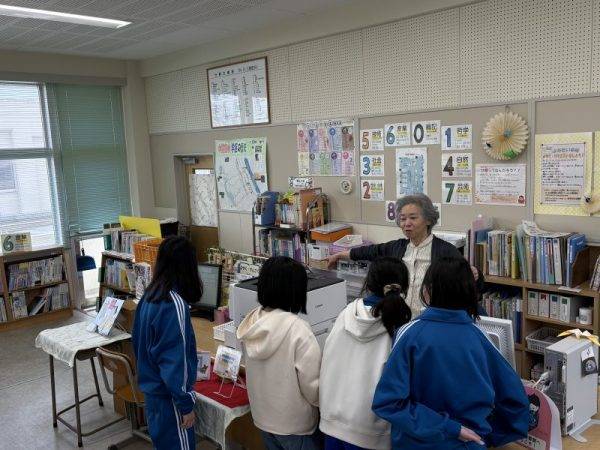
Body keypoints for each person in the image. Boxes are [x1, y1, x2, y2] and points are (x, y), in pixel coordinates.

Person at [372, 257, 528, 449]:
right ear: (470, 292)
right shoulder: (481, 338)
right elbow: (516, 404)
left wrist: (448, 428)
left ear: (427, 290)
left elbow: (388, 402)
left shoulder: (409, 334)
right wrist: (484, 437)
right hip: (469, 444)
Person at [327, 193, 484, 317]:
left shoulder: (446, 251)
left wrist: (476, 274)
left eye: (413, 218)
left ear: (428, 220)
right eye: (403, 219)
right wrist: (340, 255)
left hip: (429, 319)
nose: (406, 223)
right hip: (399, 318)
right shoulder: (397, 247)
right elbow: (370, 251)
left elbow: (470, 285)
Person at [319, 257, 411, 450]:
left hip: (333, 420)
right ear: (403, 288)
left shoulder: (346, 313)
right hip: (371, 430)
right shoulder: (400, 327)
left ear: (368, 283)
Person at [237, 256, 322, 450]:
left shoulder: (252, 322)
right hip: (295, 426)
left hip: (263, 420)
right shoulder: (298, 329)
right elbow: (313, 389)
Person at [132, 236, 203, 450]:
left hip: (153, 395)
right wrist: (185, 404)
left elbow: (139, 343)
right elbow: (174, 363)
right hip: (170, 400)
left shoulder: (149, 296)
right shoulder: (174, 304)